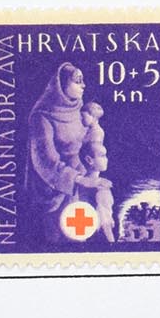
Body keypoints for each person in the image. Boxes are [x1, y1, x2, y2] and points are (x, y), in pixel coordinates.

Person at [25, 62, 115, 246]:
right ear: (61, 84)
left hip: (81, 184)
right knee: (59, 242)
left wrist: (92, 175)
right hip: (54, 190)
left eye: (82, 80)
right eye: (77, 81)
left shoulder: (80, 111)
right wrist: (80, 180)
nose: (84, 85)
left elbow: (88, 143)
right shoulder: (41, 117)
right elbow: (45, 160)